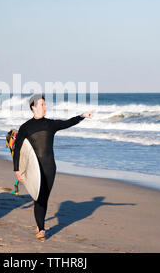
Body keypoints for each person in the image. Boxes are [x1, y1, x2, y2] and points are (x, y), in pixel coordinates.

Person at [13, 94, 93, 241]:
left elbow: (68, 123)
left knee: (44, 197)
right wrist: (17, 169)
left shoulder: (50, 124)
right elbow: (18, 149)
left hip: (50, 167)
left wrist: (82, 116)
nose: (45, 107)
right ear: (33, 107)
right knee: (39, 197)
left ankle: (39, 224)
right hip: (33, 168)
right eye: (42, 104)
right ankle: (41, 228)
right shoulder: (25, 127)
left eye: (45, 104)